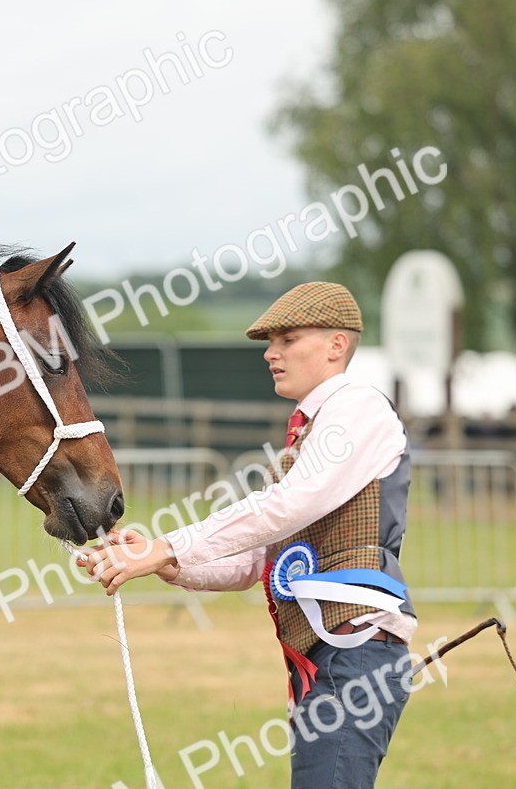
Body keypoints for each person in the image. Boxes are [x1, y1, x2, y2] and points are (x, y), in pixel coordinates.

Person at [80, 282, 416, 789]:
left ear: (336, 346)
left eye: (287, 339)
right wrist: (163, 560)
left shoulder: (358, 407)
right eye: (270, 341)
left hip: (355, 647)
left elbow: (287, 505)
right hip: (327, 655)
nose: (270, 353)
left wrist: (169, 546)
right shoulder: (308, 432)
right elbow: (255, 561)